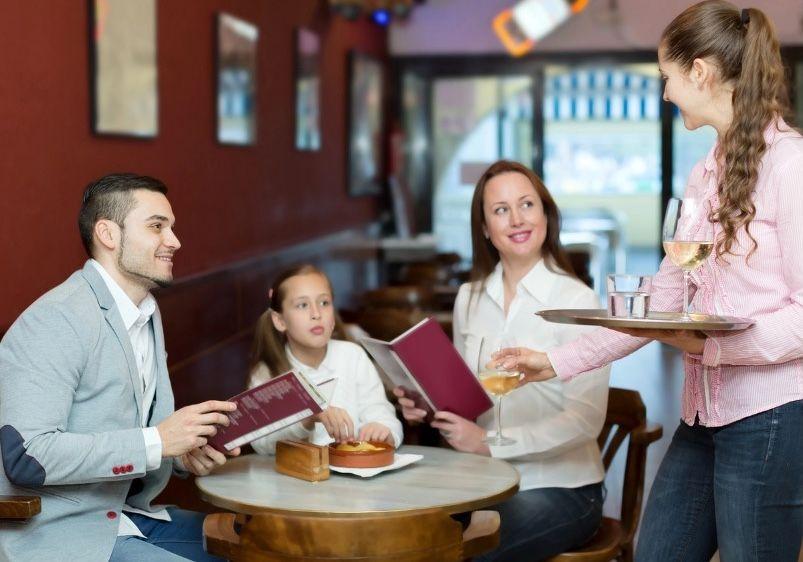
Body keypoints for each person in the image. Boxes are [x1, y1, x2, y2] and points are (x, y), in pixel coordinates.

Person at [494, 3, 803, 561]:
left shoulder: (791, 166)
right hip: (702, 414)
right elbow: (660, 302)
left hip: (772, 418)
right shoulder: (703, 173)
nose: (664, 92)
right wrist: (555, 362)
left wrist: (711, 350)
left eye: (667, 76)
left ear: (701, 72)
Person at [0, 174, 241, 562]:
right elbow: (28, 456)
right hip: (64, 534)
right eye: (157, 226)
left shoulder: (146, 310)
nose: (174, 240)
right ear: (108, 234)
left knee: (259, 544)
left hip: (126, 515)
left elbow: (134, 430)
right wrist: (158, 442)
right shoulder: (54, 319)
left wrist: (180, 454)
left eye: (172, 227)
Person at [395, 160, 611, 561]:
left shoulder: (578, 302)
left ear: (546, 213)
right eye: (500, 210)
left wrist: (489, 446)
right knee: (401, 537)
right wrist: (424, 406)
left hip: (560, 488)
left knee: (470, 552)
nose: (516, 219)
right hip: (479, 481)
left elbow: (585, 421)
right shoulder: (469, 298)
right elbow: (467, 397)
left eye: (527, 204)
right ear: (484, 228)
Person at [247, 264, 403, 453]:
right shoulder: (267, 372)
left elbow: (383, 414)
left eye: (324, 303)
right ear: (280, 321)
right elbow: (262, 443)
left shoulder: (353, 356)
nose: (316, 314)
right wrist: (308, 418)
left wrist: (384, 431)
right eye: (302, 305)